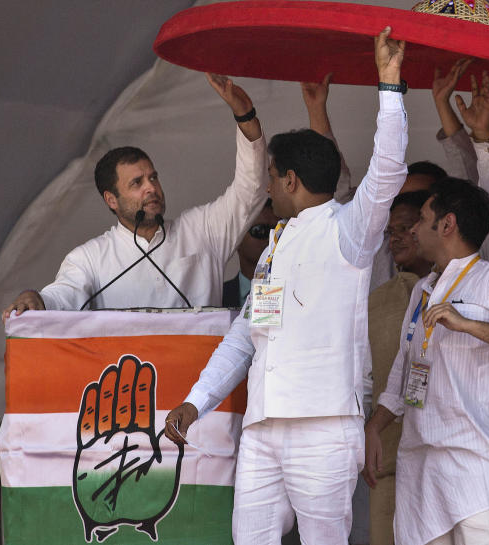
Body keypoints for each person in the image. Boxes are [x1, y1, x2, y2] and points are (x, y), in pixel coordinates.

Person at [162, 27, 409, 544]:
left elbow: (386, 172)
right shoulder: (275, 244)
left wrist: (390, 86)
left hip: (323, 425)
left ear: (291, 180)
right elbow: (246, 334)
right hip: (262, 426)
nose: (268, 188)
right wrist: (198, 399)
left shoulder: (348, 231)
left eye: (272, 177)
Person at [364, 177, 489, 545]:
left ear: (447, 224)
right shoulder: (422, 289)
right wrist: (375, 426)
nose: (413, 228)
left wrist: (467, 324)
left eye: (421, 219)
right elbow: (404, 367)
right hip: (421, 460)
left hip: (475, 459)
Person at [3, 73, 268, 316]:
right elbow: (63, 295)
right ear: (111, 200)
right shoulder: (91, 258)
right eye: (136, 183)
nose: (150, 187)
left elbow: (251, 188)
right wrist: (35, 299)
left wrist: (245, 116)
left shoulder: (202, 231)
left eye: (153, 177)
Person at [366, 190, 436, 545]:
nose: (395, 237)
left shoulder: (464, 288)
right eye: (390, 231)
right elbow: (365, 379)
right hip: (388, 461)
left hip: (443, 459)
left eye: (407, 227)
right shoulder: (376, 301)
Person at [222, 198, 280, 308]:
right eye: (260, 230)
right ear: (238, 238)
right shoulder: (218, 295)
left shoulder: (290, 291)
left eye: (277, 232)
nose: (270, 239)